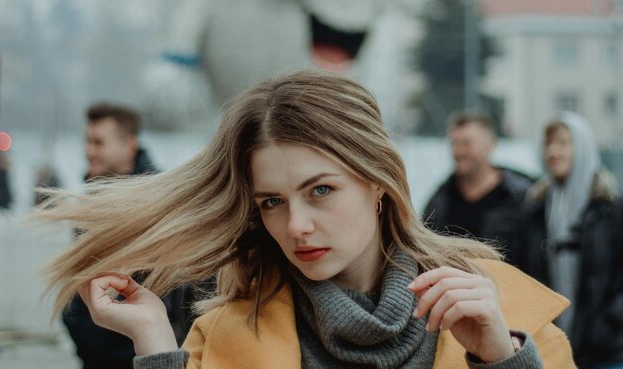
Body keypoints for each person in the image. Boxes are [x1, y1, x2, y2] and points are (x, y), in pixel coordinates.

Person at [38, 71, 574, 369]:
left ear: (379, 184)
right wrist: (154, 340)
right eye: (271, 201)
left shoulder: (504, 311)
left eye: (320, 190)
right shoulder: (223, 337)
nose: (296, 225)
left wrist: (504, 361)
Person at [61, 103, 198, 369]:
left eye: (98, 142)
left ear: (130, 145)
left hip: (151, 356)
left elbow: (183, 289)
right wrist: (85, 340)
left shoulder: (162, 202)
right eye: (87, 141)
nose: (89, 151)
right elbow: (74, 284)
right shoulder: (91, 203)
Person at [514, 112, 623, 369]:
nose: (554, 152)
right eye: (549, 144)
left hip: (605, 350)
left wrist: (609, 322)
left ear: (583, 147)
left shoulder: (610, 210)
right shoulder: (534, 210)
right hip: (549, 346)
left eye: (563, 143)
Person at [423, 113, 533, 264]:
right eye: (454, 144)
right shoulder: (440, 201)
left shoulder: (521, 198)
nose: (459, 151)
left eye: (467, 144)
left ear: (490, 145)